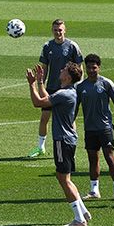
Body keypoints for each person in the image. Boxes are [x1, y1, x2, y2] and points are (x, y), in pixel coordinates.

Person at [28, 62, 90, 226]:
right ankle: (83, 211)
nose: (60, 70)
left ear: (68, 77)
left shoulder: (65, 94)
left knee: (63, 179)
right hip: (68, 139)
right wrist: (41, 82)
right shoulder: (67, 93)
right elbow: (48, 100)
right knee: (65, 178)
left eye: (63, 70)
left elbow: (38, 102)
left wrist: (32, 84)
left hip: (62, 140)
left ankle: (79, 219)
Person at [29, 19, 82, 159]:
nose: (58, 32)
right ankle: (41, 147)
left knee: (69, 120)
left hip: (68, 90)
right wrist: (41, 81)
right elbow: (45, 67)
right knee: (44, 118)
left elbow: (79, 68)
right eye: (55, 30)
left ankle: (72, 146)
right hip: (52, 87)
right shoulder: (47, 46)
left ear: (65, 30)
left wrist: (77, 86)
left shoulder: (72, 46)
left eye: (60, 30)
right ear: (52, 30)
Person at [76, 54, 114, 202]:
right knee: (92, 159)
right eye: (89, 67)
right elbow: (75, 107)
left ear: (99, 67)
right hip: (89, 128)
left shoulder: (106, 83)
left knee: (110, 158)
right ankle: (94, 190)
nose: (91, 70)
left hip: (104, 128)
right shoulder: (81, 86)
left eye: (94, 67)